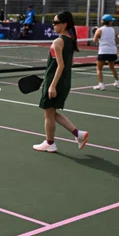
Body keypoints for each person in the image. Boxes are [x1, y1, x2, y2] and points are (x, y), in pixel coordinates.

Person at [33, 11, 88, 153]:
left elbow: (61, 65)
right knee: (51, 112)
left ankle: (50, 143)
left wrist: (52, 85)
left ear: (64, 25)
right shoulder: (70, 41)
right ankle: (78, 134)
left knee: (48, 114)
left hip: (55, 82)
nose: (53, 25)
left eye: (56, 23)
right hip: (64, 82)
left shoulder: (58, 41)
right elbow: (69, 64)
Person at [93, 14, 119, 90]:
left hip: (103, 51)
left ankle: (101, 85)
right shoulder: (113, 30)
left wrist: (97, 36)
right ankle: (117, 82)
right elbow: (117, 41)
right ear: (109, 22)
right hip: (112, 51)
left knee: (99, 68)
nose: (112, 22)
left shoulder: (99, 30)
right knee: (112, 67)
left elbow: (94, 41)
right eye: (111, 21)